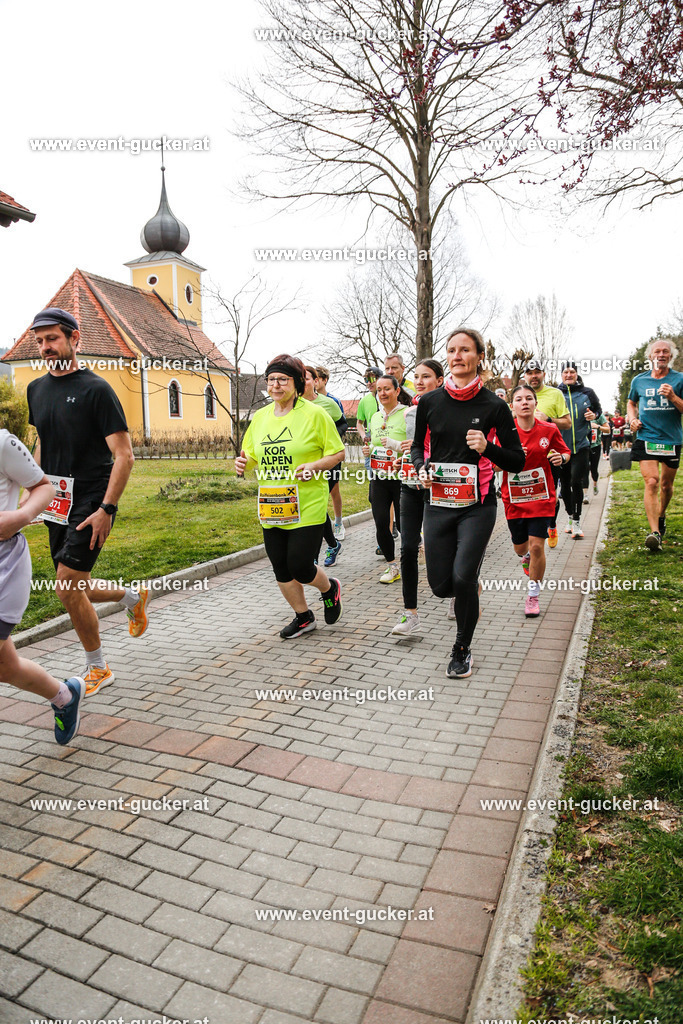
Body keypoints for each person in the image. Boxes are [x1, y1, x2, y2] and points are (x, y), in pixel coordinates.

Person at [26, 307, 149, 698]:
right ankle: (133, 596)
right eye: (40, 341)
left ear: (74, 339)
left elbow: (124, 454)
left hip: (92, 496)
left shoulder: (97, 389)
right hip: (56, 498)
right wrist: (35, 493)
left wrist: (107, 509)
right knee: (72, 586)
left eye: (53, 339)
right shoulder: (35, 389)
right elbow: (44, 441)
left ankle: (98, 668)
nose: (45, 347)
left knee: (65, 586)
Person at [411, 327, 525, 678]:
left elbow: (517, 461)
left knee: (462, 579)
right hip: (439, 502)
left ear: (479, 357)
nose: (457, 356)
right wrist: (421, 469)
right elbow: (417, 448)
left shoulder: (494, 406)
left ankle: (462, 648)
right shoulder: (429, 403)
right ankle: (467, 587)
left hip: (478, 505)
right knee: (441, 586)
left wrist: (487, 448)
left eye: (465, 350)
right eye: (452, 350)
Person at [236, 355, 344, 637]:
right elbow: (251, 456)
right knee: (281, 568)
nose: (276, 385)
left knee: (299, 565)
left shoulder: (315, 414)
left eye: (283, 379)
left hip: (307, 503)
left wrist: (314, 466)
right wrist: (242, 463)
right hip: (272, 504)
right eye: (271, 379)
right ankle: (304, 617)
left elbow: (338, 452)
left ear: (296, 383)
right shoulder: (260, 418)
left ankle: (329, 588)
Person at [0, 429, 85, 745]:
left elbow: (44, 488)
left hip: (3, 569)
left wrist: (21, 516)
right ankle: (65, 696)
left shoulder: (3, 443)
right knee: (6, 668)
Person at [501, 385, 570, 617]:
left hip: (541, 496)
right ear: (513, 406)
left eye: (529, 398)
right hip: (514, 498)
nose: (525, 402)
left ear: (535, 403)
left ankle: (533, 596)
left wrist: (561, 457)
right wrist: (509, 459)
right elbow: (493, 463)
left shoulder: (549, 429)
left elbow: (565, 452)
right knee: (520, 547)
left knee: (537, 545)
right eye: (519, 399)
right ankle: (525, 558)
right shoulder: (505, 432)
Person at [390, 359, 444, 635]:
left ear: (440, 381)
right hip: (409, 485)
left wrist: (425, 456)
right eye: (416, 377)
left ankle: (457, 592)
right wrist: (404, 459)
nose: (420, 381)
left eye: (427, 377)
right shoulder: (410, 412)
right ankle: (410, 613)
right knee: (408, 548)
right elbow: (409, 446)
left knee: (439, 549)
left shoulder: (447, 410)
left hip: (437, 487)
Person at [627, 337, 683, 551]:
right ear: (650, 356)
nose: (661, 355)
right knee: (651, 481)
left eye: (665, 352)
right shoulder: (639, 381)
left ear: (671, 356)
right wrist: (632, 419)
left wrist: (673, 397)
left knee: (666, 486)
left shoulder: (679, 379)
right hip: (646, 437)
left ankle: (661, 515)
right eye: (657, 351)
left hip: (671, 439)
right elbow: (631, 402)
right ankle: (654, 533)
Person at [361, 375, 412, 583]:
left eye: (387, 389)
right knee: (381, 522)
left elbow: (415, 446)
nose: (382, 393)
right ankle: (392, 567)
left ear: (397, 391)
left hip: (402, 478)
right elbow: (375, 445)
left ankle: (411, 562)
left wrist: (395, 445)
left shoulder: (408, 414)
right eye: (379, 390)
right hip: (380, 477)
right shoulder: (374, 417)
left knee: (404, 525)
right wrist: (368, 450)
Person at [523, 360, 570, 547]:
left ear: (543, 374)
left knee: (550, 496)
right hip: (527, 455)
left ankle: (551, 524)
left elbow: (567, 423)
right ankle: (529, 533)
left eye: (537, 372)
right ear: (524, 376)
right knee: (527, 495)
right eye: (530, 372)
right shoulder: (521, 395)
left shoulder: (555, 393)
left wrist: (548, 419)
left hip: (550, 454)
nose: (534, 376)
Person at [302, 367, 344, 568]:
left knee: (318, 505)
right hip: (304, 464)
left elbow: (343, 425)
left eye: (307, 378)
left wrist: (327, 435)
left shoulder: (329, 403)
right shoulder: (294, 406)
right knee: (315, 506)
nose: (303, 381)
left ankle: (314, 554)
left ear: (316, 380)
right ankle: (333, 545)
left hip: (328, 461)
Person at [557, 362, 602, 539]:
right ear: (561, 375)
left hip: (582, 445)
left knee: (577, 481)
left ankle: (576, 521)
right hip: (561, 447)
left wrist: (594, 415)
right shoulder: (556, 393)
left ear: (577, 374)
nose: (569, 374)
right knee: (565, 485)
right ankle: (569, 516)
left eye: (572, 372)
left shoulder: (587, 392)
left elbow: (598, 409)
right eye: (566, 372)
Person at [315, 366, 348, 541]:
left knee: (333, 488)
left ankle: (338, 522)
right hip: (313, 455)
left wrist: (331, 434)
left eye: (318, 378)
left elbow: (343, 423)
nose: (315, 382)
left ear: (324, 380)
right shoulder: (301, 402)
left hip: (331, 452)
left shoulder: (332, 400)